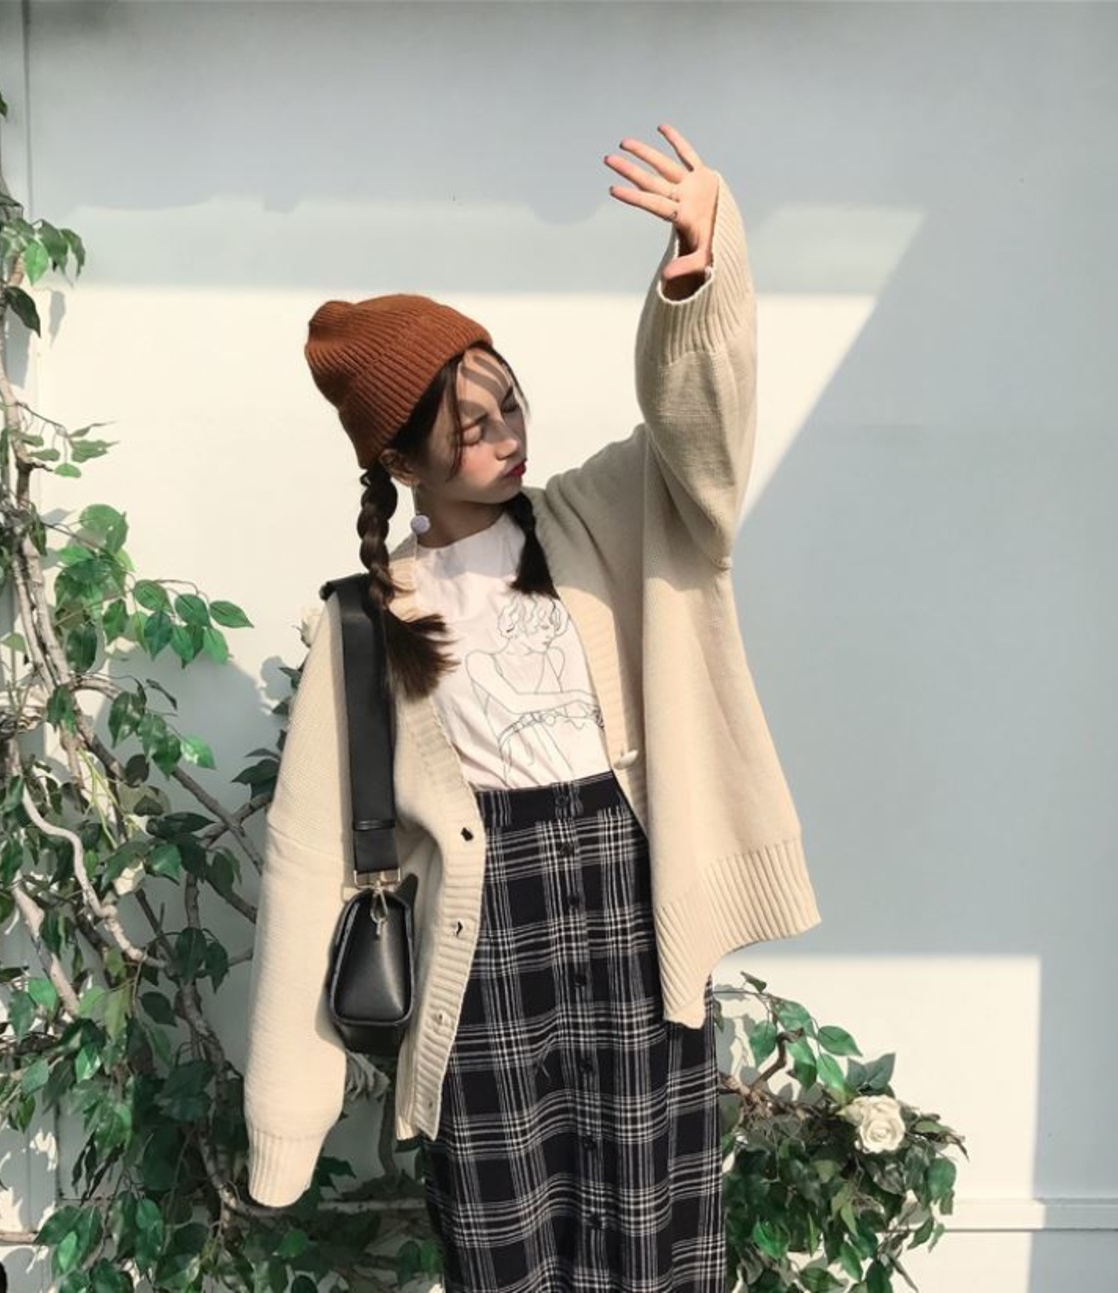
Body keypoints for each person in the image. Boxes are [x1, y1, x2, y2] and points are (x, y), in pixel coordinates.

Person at [243, 123, 822, 1292]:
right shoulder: (362, 625)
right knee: (505, 1241)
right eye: (473, 428)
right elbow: (305, 866)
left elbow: (702, 442)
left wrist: (696, 284)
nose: (509, 439)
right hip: (482, 936)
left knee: (654, 1228)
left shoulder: (605, 512)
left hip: (629, 905)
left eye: (510, 406)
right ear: (400, 462)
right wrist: (285, 1125)